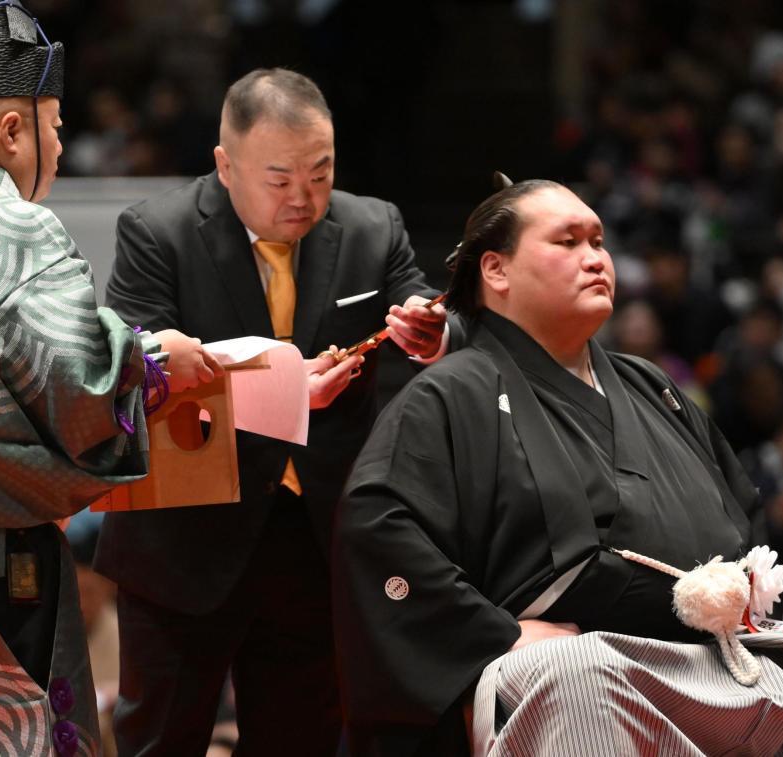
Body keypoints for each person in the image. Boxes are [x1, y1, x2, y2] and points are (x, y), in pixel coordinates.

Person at [332, 179, 783, 756]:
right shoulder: (453, 392)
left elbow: (741, 512)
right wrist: (497, 635)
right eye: (567, 241)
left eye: (599, 241)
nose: (595, 259)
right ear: (496, 270)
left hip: (715, 660)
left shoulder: (652, 386)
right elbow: (377, 528)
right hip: (588, 667)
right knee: (582, 679)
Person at [93, 67, 453, 756]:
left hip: (314, 538)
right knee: (160, 741)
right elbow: (137, 377)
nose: (304, 197)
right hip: (185, 535)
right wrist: (286, 392)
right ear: (226, 166)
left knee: (304, 740)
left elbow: (429, 310)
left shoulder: (374, 225)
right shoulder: (156, 231)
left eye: (321, 172)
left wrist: (428, 328)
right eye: (280, 178)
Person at [0, 2, 216, 753]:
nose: (62, 143)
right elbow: (80, 389)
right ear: (14, 131)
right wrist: (151, 355)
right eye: (54, 123)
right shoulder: (15, 224)